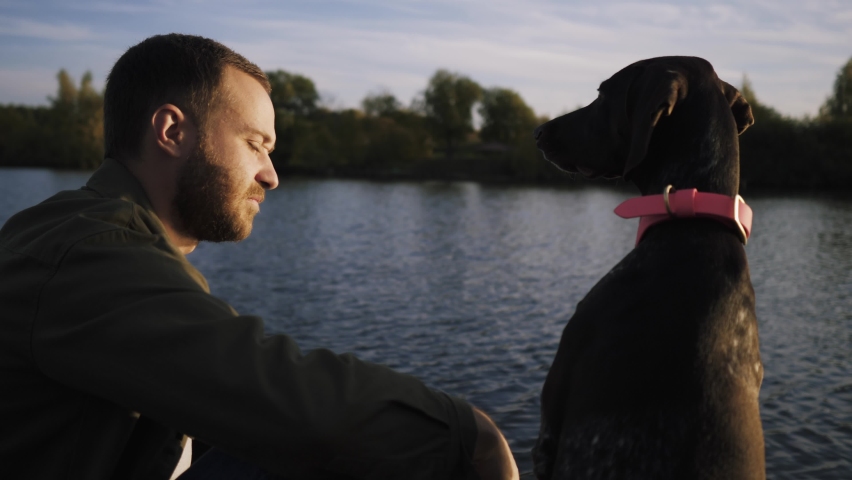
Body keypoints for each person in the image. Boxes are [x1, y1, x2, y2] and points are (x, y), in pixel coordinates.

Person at [0, 33, 518, 479]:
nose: (270, 174)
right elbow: (262, 378)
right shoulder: (85, 249)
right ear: (172, 132)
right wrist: (463, 432)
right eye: (255, 144)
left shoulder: (109, 239)